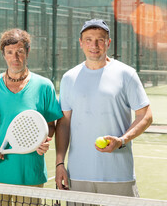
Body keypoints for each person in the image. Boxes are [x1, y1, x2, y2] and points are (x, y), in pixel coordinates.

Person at [55, 19, 153, 201]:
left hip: (118, 176)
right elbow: (64, 124)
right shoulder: (69, 78)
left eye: (100, 39)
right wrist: (60, 162)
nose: (94, 45)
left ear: (108, 43)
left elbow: (145, 115)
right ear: (81, 43)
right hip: (78, 175)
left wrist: (122, 140)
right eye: (88, 39)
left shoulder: (126, 74)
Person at [0, 28, 63, 206]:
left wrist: (46, 139)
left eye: (20, 51)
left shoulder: (44, 86)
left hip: (30, 175)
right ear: (4, 54)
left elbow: (50, 124)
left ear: (27, 52)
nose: (15, 57)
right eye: (10, 52)